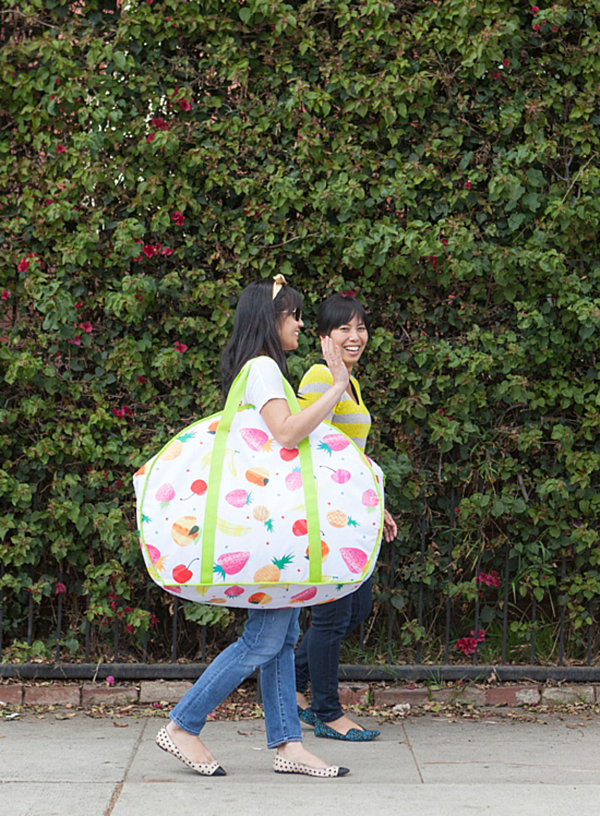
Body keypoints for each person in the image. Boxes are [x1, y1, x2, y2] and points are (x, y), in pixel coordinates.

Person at [155, 275, 352, 778]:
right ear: (271, 319)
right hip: (271, 534)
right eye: (293, 315)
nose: (301, 324)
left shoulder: (261, 371)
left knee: (281, 639)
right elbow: (287, 434)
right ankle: (183, 723)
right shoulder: (263, 368)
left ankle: (288, 744)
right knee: (264, 640)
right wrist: (335, 389)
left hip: (268, 530)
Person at [295, 292, 397, 741]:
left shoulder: (346, 380)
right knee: (333, 616)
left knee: (357, 606)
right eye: (344, 330)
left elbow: (349, 454)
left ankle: (293, 683)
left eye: (360, 328)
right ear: (324, 337)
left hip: (351, 510)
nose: (355, 337)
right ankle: (327, 712)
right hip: (327, 515)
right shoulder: (321, 377)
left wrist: (377, 503)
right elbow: (308, 446)